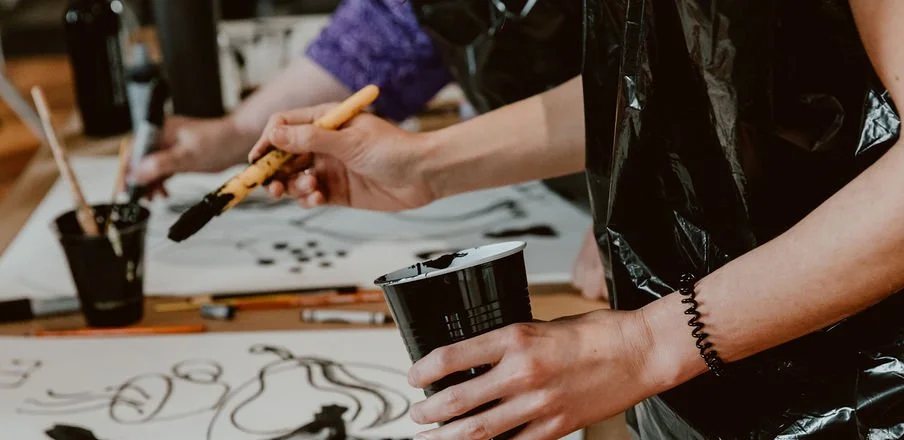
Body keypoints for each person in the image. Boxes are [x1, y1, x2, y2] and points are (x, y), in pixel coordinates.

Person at [248, 1, 904, 440]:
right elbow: (664, 65)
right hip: (757, 357)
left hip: (898, 401)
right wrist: (430, 163)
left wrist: (645, 343)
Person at [129, 0, 605, 299]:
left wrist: (636, 194)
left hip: (660, 186)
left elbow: (663, 73)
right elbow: (399, 25)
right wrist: (237, 132)